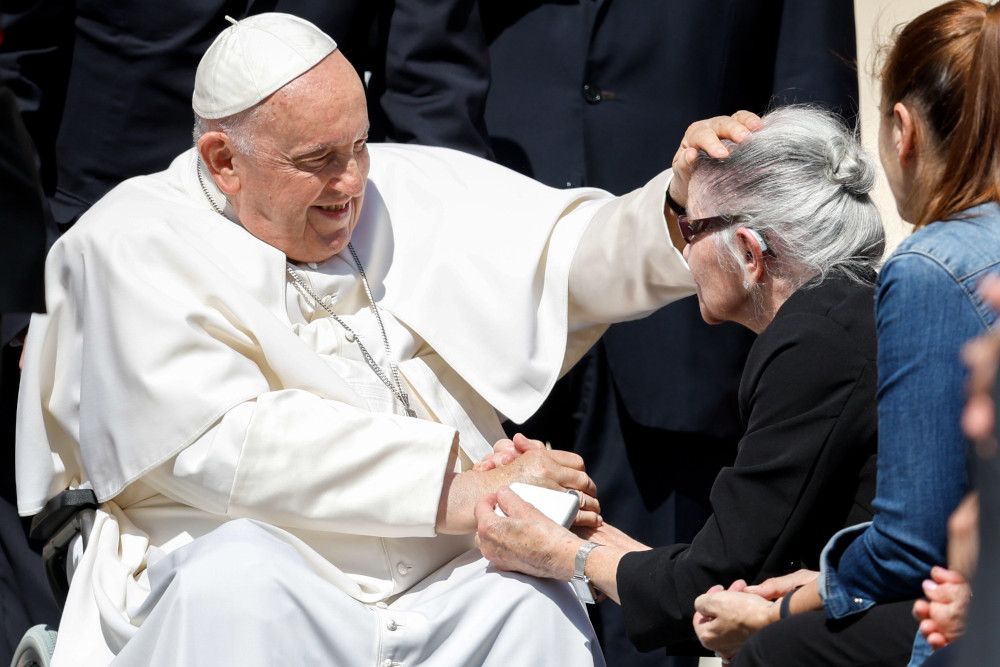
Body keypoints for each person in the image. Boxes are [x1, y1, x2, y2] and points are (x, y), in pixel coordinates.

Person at [13, 12, 744, 666]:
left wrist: (678, 202)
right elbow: (224, 445)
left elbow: (570, 257)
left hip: (433, 570)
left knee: (529, 609)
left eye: (359, 146)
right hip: (241, 553)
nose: (353, 181)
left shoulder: (398, 184)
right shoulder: (125, 240)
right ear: (223, 161)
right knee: (238, 583)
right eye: (319, 160)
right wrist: (464, 485)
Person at [379, 7, 859, 663]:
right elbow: (427, 59)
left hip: (688, 299)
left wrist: (781, 261)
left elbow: (810, 76)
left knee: (676, 610)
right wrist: (461, 236)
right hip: (494, 284)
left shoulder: (813, 342)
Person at [473, 104, 884, 656]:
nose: (683, 251)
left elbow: (715, 581)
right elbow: (725, 565)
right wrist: (579, 539)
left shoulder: (814, 341)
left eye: (689, 227)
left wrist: (558, 555)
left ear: (748, 251)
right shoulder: (842, 313)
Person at [691, 3, 1000, 665]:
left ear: (901, 129)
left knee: (774, 650)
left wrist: (778, 608)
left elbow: (908, 545)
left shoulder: (928, 267)